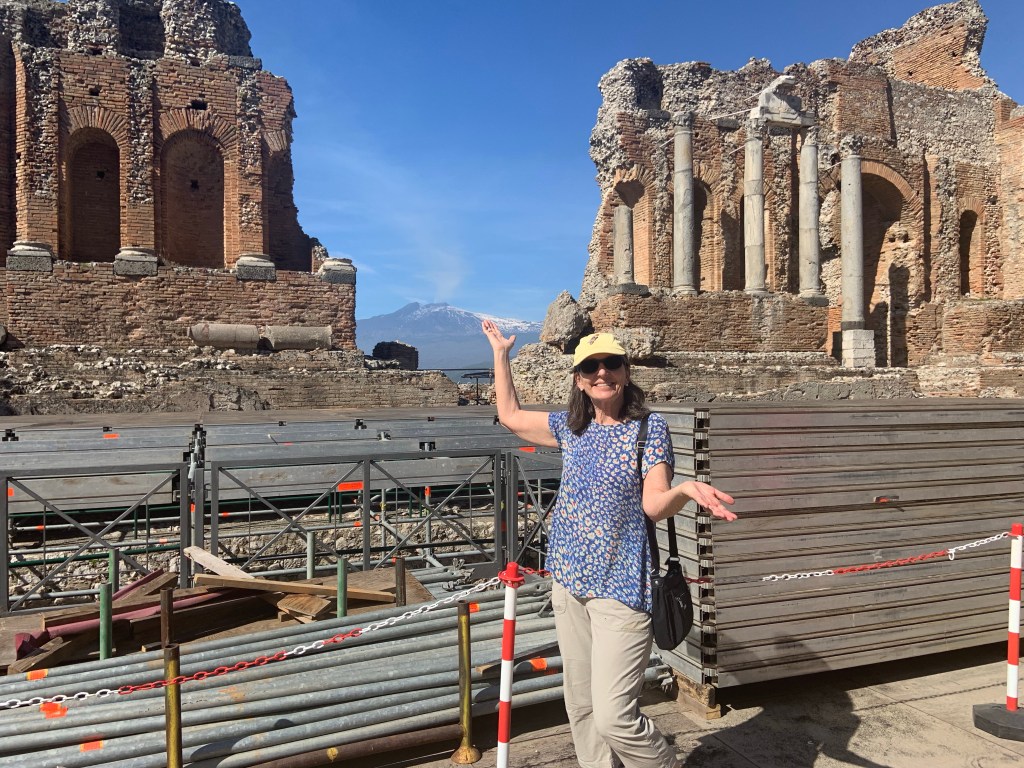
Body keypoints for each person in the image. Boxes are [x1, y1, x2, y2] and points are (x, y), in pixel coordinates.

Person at [482, 319, 737, 768]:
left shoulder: (648, 429)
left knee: (615, 716)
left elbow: (653, 505)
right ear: (578, 379)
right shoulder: (571, 427)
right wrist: (501, 355)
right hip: (569, 582)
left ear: (625, 372)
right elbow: (511, 416)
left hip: (621, 589)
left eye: (612, 364)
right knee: (581, 708)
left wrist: (684, 490)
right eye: (591, 366)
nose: (602, 373)